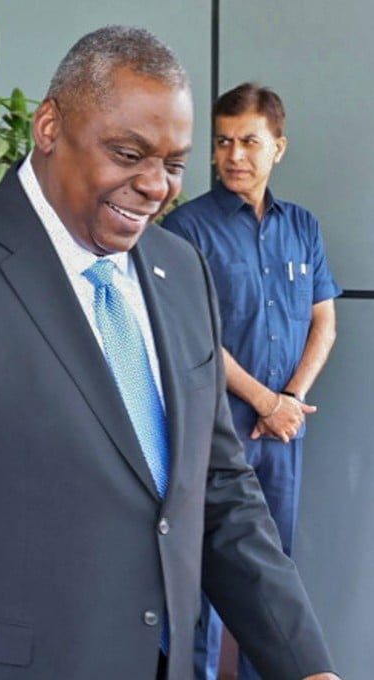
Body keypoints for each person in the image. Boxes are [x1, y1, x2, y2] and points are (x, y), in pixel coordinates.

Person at [0, 25, 340, 680]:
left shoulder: (182, 270)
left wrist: (308, 666)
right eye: (129, 154)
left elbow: (217, 489)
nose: (156, 185)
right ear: (49, 126)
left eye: (175, 163)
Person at [163, 82, 341, 680]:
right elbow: (195, 335)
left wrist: (291, 400)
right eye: (223, 142)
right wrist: (266, 399)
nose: (234, 155)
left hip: (283, 435)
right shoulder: (187, 229)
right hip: (217, 433)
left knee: (273, 577)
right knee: (209, 576)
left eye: (249, 141)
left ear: (278, 148)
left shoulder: (303, 228)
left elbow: (324, 320)